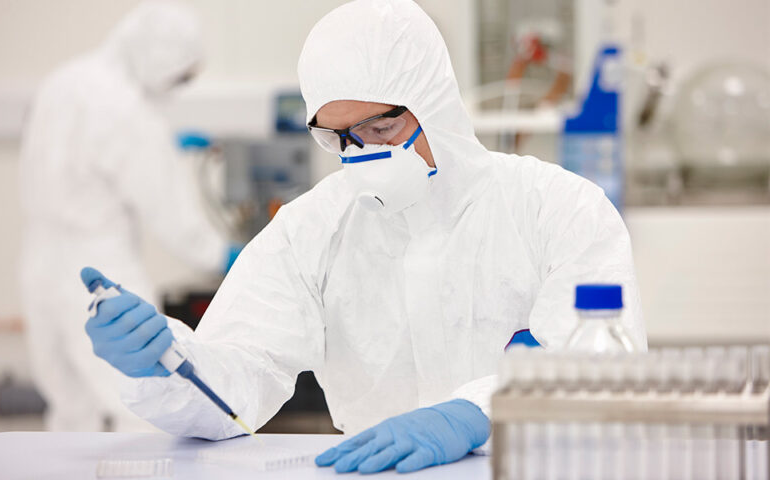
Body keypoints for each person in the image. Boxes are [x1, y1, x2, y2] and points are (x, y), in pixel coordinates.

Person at [80, 0, 647, 473]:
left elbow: (599, 373)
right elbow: (238, 382)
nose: (366, 152)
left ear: (436, 105)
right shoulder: (314, 228)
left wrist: (478, 413)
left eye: (383, 126)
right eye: (341, 137)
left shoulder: (557, 208)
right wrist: (169, 366)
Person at [20, 1, 234, 432]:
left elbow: (79, 159)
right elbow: (175, 220)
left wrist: (164, 148)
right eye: (179, 75)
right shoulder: (130, 113)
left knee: (69, 407)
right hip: (98, 269)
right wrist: (227, 256)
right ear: (161, 57)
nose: (175, 87)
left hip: (38, 263)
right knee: (144, 404)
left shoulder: (64, 81)